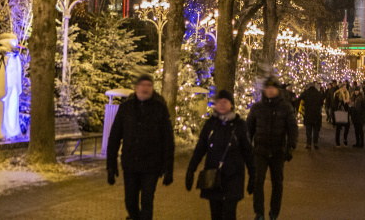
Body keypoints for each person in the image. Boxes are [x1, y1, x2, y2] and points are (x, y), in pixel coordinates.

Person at [107, 73, 175, 220]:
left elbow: (168, 140)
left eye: (149, 85)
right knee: (130, 202)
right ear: (136, 88)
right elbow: (114, 137)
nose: (145, 88)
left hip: (152, 165)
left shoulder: (160, 109)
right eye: (142, 85)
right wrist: (111, 166)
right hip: (131, 164)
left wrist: (169, 168)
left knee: (146, 201)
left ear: (152, 89)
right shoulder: (126, 108)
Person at [186, 90, 255, 220]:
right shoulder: (211, 124)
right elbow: (200, 148)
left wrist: (253, 175)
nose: (222, 104)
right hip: (213, 177)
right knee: (216, 214)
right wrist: (191, 169)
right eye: (219, 102)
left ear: (231, 105)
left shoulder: (239, 125)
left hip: (233, 177)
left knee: (229, 213)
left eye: (225, 101)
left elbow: (248, 152)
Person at [247, 77, 298, 220]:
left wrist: (290, 147)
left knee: (277, 183)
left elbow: (292, 129)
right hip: (260, 151)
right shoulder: (257, 108)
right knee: (258, 181)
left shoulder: (285, 108)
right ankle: (259, 213)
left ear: (277, 90)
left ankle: (274, 213)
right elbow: (248, 130)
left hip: (277, 152)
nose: (270, 90)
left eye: (273, 88)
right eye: (267, 88)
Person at [298, 82, 323, 150]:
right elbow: (321, 102)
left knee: (308, 130)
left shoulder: (306, 93)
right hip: (316, 114)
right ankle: (315, 143)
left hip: (308, 114)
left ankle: (308, 143)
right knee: (316, 130)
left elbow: (299, 98)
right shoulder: (318, 93)